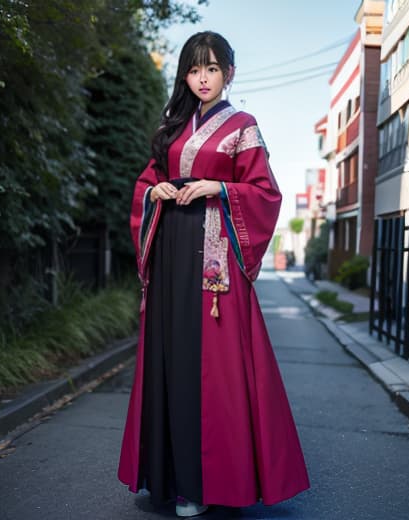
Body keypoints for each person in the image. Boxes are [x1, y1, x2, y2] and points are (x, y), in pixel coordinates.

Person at [118, 31, 310, 517]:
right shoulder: (173, 124)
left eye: (212, 69)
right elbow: (149, 178)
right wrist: (154, 192)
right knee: (172, 358)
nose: (203, 78)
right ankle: (173, 478)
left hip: (213, 258)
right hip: (170, 254)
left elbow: (265, 193)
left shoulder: (244, 126)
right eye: (194, 70)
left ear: (230, 73)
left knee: (212, 371)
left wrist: (217, 187)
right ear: (185, 75)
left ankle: (208, 485)